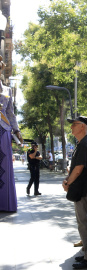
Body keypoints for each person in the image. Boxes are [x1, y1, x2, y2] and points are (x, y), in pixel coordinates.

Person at [63, 116, 87, 269]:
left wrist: (67, 183)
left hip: (83, 189)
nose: (71, 128)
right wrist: (68, 180)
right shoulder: (83, 143)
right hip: (84, 188)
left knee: (85, 223)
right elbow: (75, 168)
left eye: (74, 125)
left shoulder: (84, 144)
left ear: (82, 127)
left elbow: (78, 169)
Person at [0, 56, 23, 212]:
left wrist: (17, 130)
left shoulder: (7, 90)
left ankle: (4, 203)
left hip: (4, 131)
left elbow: (10, 113)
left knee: (5, 167)